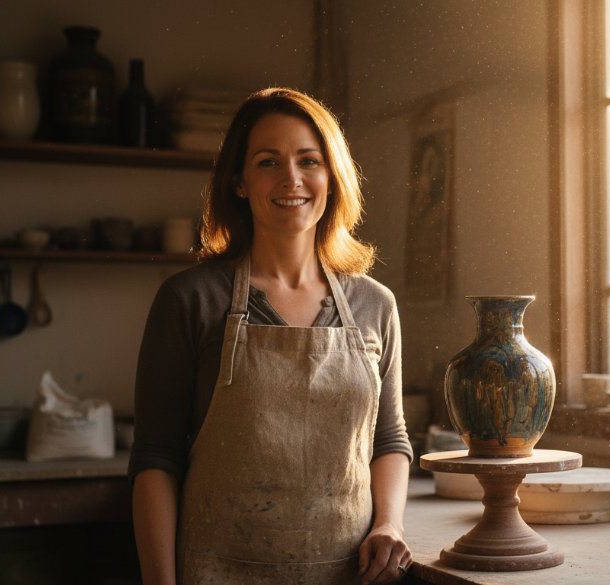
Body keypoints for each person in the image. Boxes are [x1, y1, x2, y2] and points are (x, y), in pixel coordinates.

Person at [129, 87, 414, 585]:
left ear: (332, 177)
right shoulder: (189, 300)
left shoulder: (375, 305)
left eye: (310, 160)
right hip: (219, 571)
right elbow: (156, 458)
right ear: (238, 182)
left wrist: (389, 522)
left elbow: (389, 440)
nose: (292, 179)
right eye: (267, 162)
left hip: (348, 574)